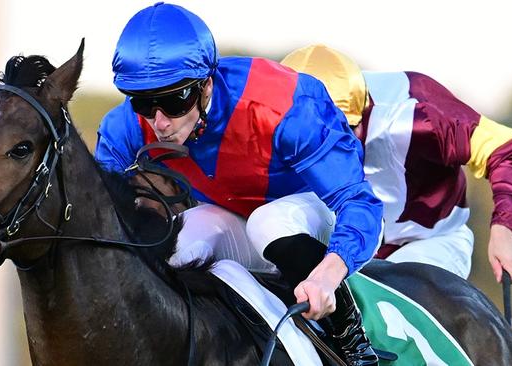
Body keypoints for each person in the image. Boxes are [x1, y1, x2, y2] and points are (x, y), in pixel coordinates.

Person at [95, 3, 383, 365]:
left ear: (206, 85)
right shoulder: (125, 127)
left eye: (173, 101)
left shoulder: (283, 105)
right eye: (144, 102)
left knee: (269, 222)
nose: (160, 122)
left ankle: (353, 344)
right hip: (237, 219)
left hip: (312, 211)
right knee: (183, 242)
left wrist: (326, 276)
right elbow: (101, 218)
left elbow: (361, 203)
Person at [281, 44, 512, 283]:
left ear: (361, 113)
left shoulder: (420, 113)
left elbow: (508, 149)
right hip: (338, 239)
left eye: (345, 132)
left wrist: (505, 227)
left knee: (388, 300)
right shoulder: (264, 118)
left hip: (428, 241)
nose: (333, 150)